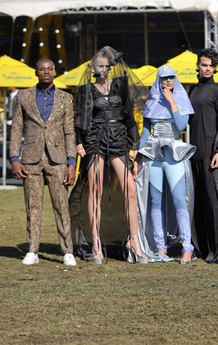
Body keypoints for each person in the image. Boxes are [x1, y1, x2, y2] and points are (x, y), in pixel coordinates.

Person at [74, 46, 148, 264]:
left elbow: (130, 116)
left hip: (117, 136)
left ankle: (134, 240)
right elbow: (79, 119)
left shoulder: (120, 85)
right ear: (93, 67)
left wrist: (134, 143)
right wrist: (79, 142)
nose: (103, 69)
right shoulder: (85, 90)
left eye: (107, 65)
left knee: (131, 190)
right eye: (99, 65)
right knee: (95, 190)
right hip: (95, 137)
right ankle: (96, 242)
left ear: (112, 67)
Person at [10, 59, 77, 266]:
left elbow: (70, 132)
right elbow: (16, 129)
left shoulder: (66, 98)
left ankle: (67, 251)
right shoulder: (23, 96)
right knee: (33, 206)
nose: (46, 72)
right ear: (36, 73)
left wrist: (71, 163)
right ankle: (32, 250)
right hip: (30, 159)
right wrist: (14, 159)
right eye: (42, 69)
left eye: (49, 69)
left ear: (55, 72)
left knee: (62, 206)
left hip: (58, 160)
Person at [135, 65, 196, 264]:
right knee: (155, 201)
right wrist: (136, 159)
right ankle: (160, 246)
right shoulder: (151, 101)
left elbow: (180, 125)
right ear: (159, 80)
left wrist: (171, 102)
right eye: (164, 78)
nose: (168, 81)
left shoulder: (180, 98)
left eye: (172, 78)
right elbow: (145, 134)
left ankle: (187, 246)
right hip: (153, 155)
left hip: (174, 154)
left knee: (179, 199)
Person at [188, 48, 218, 264]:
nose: (207, 68)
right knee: (199, 201)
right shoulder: (192, 90)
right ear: (197, 64)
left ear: (215, 68)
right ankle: (203, 247)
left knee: (214, 199)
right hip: (194, 152)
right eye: (204, 64)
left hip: (212, 152)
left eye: (211, 65)